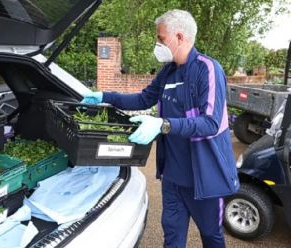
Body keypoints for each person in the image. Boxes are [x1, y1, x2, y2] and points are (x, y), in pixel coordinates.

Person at [82, 9, 239, 248]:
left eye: (161, 38)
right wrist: (105, 95)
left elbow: (211, 123)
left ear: (179, 37)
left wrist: (163, 124)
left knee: (211, 236)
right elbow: (143, 99)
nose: (157, 43)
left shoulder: (207, 69)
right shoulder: (168, 72)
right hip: (173, 177)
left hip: (204, 177)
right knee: (172, 238)